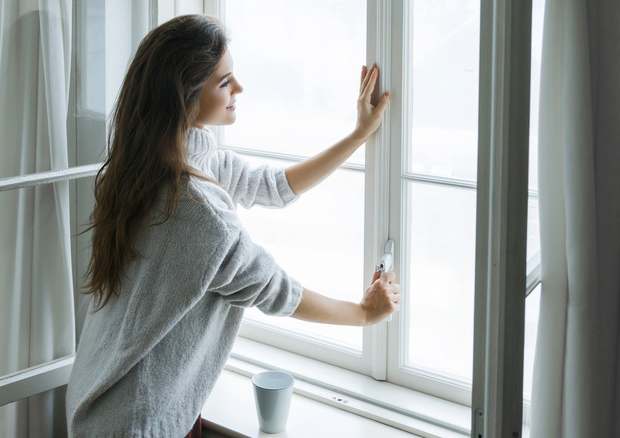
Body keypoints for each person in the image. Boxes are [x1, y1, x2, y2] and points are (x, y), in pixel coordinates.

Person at [65, 14, 399, 437]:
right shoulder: (196, 213)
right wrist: (365, 314)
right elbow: (275, 290)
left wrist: (358, 136)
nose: (238, 89)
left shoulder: (159, 158)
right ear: (184, 96)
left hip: (102, 400)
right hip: (138, 420)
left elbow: (271, 187)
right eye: (224, 82)